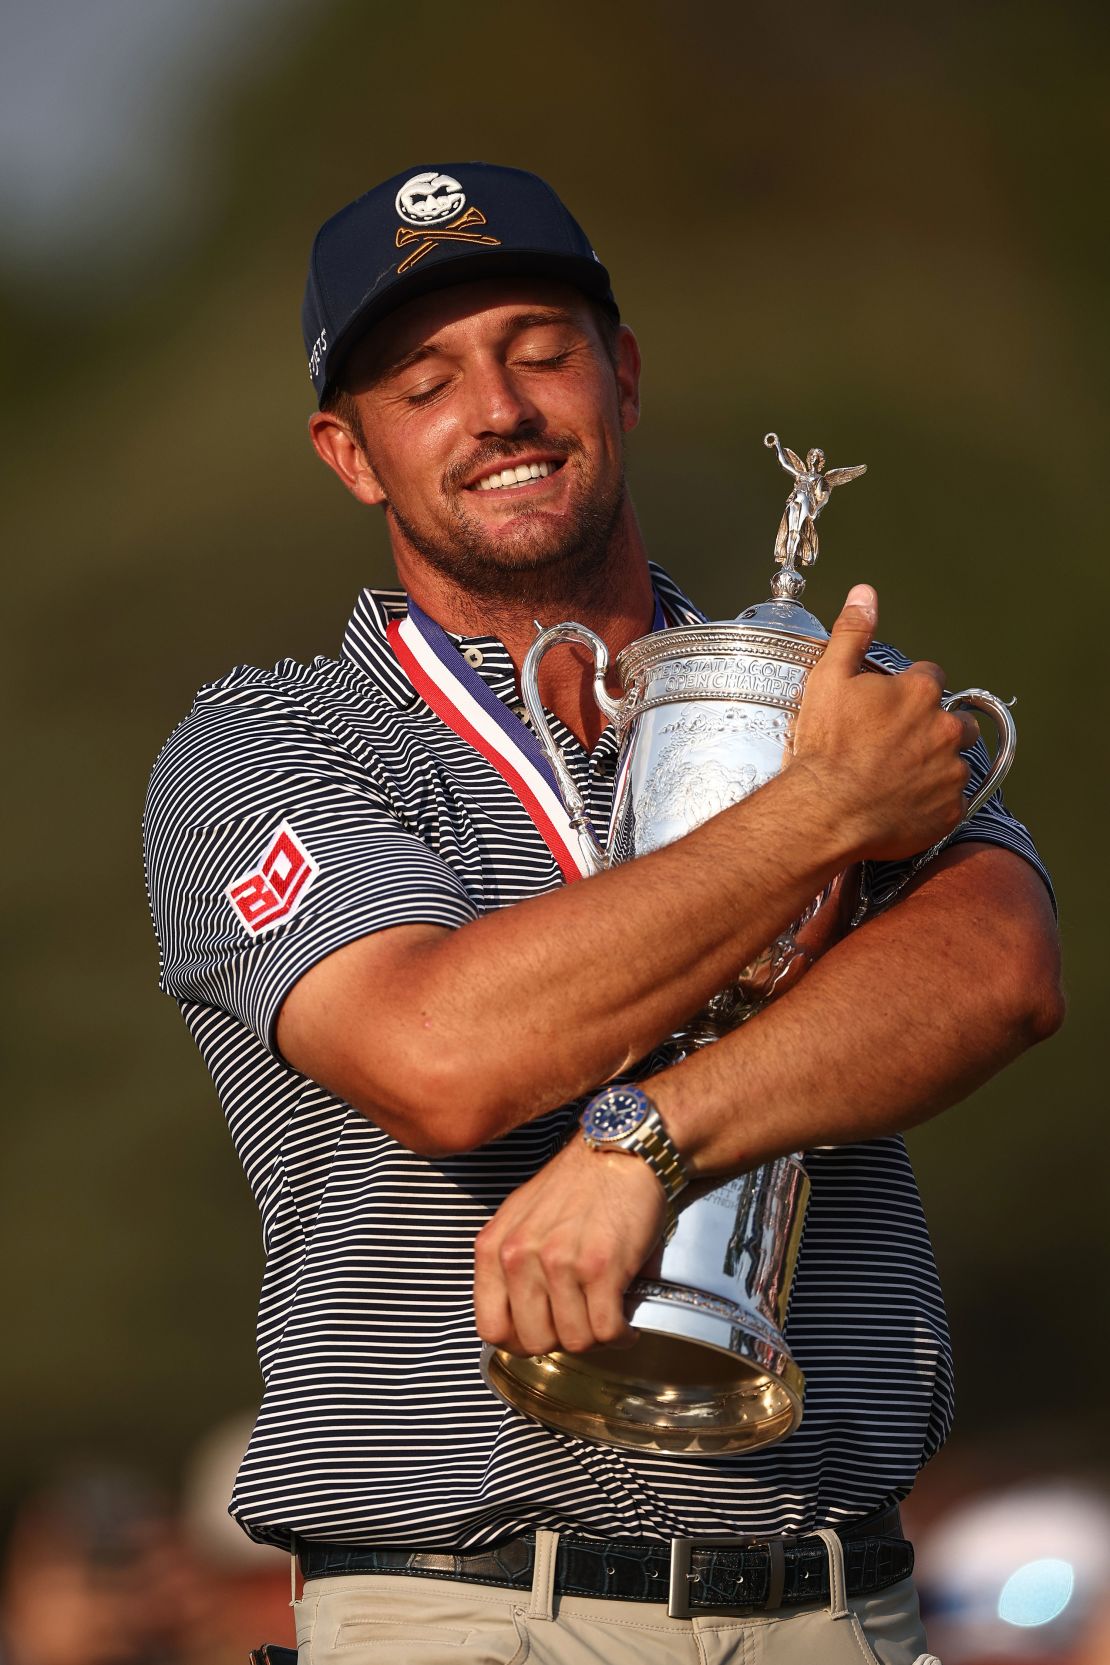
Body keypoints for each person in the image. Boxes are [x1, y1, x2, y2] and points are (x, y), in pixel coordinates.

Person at [143, 163, 1062, 1664]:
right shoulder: (269, 742)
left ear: (621, 377)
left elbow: (994, 970)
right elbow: (443, 1055)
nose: (498, 408)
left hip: (842, 1605)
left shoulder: (804, 694)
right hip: (468, 1608)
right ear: (349, 451)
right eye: (422, 381)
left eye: (540, 349)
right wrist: (819, 817)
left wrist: (651, 1136)